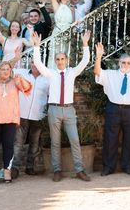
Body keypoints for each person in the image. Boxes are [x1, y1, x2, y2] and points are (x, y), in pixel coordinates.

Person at [31, 31, 91, 182]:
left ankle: (79, 170)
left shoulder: (71, 72)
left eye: (62, 59)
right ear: (55, 61)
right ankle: (57, 170)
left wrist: (85, 45)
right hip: (54, 109)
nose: (60, 61)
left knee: (75, 140)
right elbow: (38, 64)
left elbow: (84, 62)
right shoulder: (51, 73)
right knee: (55, 141)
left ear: (67, 59)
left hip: (69, 109)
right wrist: (37, 47)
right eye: (57, 59)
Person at [94, 44, 130, 176]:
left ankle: (128, 166)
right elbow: (97, 72)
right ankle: (108, 167)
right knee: (110, 138)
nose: (125, 65)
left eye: (128, 63)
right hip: (113, 108)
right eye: (123, 62)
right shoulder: (110, 74)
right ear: (118, 62)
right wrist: (98, 57)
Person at [12, 58, 50, 178]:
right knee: (18, 142)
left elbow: (50, 95)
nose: (34, 65)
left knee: (34, 143)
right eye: (33, 62)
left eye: (37, 62)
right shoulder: (21, 73)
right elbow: (6, 68)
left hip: (38, 115)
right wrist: (16, 57)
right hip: (22, 114)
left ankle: (30, 167)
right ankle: (14, 168)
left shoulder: (47, 79)